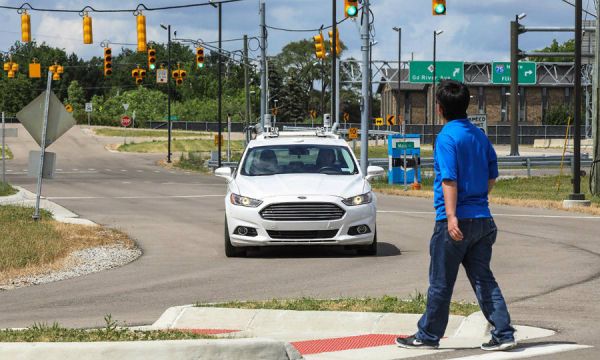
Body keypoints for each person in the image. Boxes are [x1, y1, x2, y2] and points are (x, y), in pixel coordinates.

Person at [396, 80, 516, 352]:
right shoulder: (479, 136)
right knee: (484, 279)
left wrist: (451, 217)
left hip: (455, 222)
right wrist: (476, 200)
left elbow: (448, 180)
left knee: (440, 282)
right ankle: (504, 332)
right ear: (466, 105)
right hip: (483, 219)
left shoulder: (447, 137)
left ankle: (428, 335)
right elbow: (491, 177)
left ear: (439, 109)